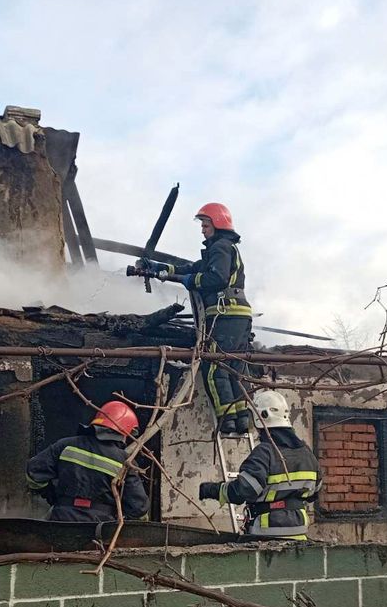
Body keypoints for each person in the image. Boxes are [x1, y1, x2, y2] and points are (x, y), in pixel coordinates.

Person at [139, 202, 253, 433]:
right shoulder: (222, 248)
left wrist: (191, 282)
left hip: (225, 315)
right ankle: (242, 417)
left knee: (214, 364)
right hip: (238, 315)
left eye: (205, 224)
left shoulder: (220, 247)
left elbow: (216, 278)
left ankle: (226, 418)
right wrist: (164, 269)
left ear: (218, 223)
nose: (202, 229)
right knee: (234, 365)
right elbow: (192, 267)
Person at [197, 390, 321, 540]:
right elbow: (315, 492)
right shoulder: (306, 453)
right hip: (299, 535)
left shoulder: (265, 452)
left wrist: (212, 490)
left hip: (266, 536)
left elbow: (243, 490)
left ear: (260, 417)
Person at [26, 400, 149, 523]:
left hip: (61, 520)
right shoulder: (124, 461)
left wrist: (52, 497)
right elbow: (138, 509)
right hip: (101, 528)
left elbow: (34, 474)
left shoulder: (65, 445)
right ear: (124, 432)